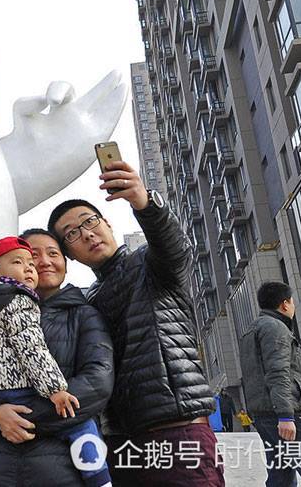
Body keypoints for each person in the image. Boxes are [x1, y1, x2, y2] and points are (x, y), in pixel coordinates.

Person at [48, 160, 222, 486]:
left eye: (90, 221)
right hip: (121, 441)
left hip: (176, 429)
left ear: (108, 224)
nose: (87, 233)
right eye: (72, 234)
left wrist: (144, 202)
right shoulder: (87, 302)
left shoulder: (147, 264)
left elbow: (175, 249)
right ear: (69, 255)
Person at [0, 229, 114, 486]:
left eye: (53, 253)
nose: (40, 263)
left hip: (59, 473)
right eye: (30, 257)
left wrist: (11, 417)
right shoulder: (19, 305)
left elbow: (97, 385)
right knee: (82, 432)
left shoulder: (83, 314)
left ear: (66, 264)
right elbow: (31, 352)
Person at [239, 281, 301, 486]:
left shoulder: (252, 330)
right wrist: (286, 416)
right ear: (285, 304)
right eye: (292, 302)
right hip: (288, 416)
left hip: (264, 415)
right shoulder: (276, 328)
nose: (293, 307)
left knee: (281, 478)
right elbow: (278, 373)